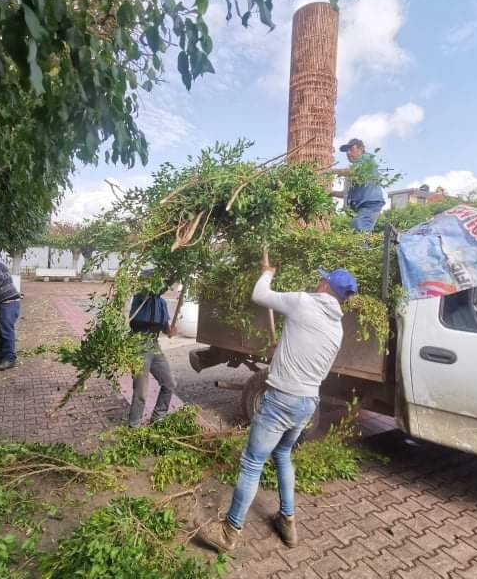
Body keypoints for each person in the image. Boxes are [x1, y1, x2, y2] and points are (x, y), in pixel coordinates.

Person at [198, 265, 357, 552]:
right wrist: (281, 350)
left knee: (251, 462)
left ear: (324, 285)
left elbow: (260, 294)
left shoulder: (303, 301)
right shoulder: (337, 328)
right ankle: (287, 521)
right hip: (308, 403)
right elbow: (312, 360)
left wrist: (267, 272)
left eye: (321, 279)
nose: (318, 281)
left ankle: (229, 532)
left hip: (282, 399)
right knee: (283, 453)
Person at [127, 272, 178, 428]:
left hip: (154, 345)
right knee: (141, 392)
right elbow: (134, 321)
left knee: (169, 383)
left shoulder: (161, 303)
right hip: (138, 344)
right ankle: (133, 427)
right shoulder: (141, 297)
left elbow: (165, 328)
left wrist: (170, 331)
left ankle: (158, 417)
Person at [331, 138, 386, 232]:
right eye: (346, 151)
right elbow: (345, 193)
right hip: (362, 207)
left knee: (358, 228)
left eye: (351, 149)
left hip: (370, 204)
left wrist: (330, 171)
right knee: (356, 230)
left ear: (360, 149)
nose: (348, 153)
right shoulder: (353, 172)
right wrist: (330, 193)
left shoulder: (366, 158)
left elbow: (353, 171)